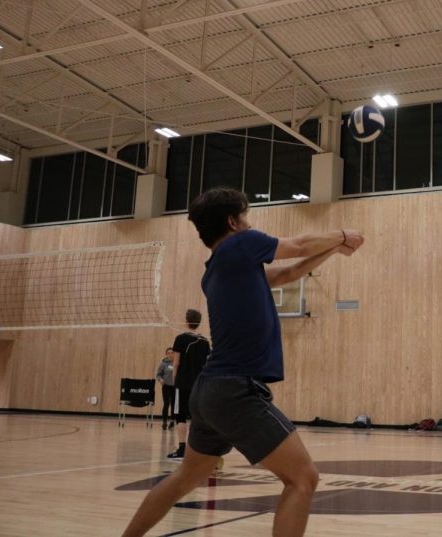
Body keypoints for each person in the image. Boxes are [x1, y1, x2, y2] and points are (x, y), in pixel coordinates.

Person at [121, 187, 363, 537]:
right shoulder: (241, 244)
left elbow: (286, 274)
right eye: (246, 217)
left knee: (185, 477)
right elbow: (294, 246)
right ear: (233, 222)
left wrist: (332, 250)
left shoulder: (218, 268)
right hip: (235, 389)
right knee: (303, 478)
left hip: (209, 392)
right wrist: (341, 234)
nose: (249, 224)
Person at [167, 309, 211, 459]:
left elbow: (176, 363)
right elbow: (207, 365)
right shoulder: (205, 342)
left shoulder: (180, 339)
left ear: (186, 321)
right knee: (198, 417)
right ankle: (198, 451)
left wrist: (174, 380)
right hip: (199, 384)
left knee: (180, 416)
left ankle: (181, 449)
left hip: (183, 383)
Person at [155, 348, 175, 430]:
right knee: (166, 403)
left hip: (175, 386)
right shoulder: (163, 364)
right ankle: (164, 422)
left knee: (174, 405)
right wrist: (160, 379)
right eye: (168, 353)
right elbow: (158, 375)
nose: (170, 354)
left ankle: (172, 421)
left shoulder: (177, 363)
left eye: (172, 353)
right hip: (166, 386)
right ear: (166, 354)